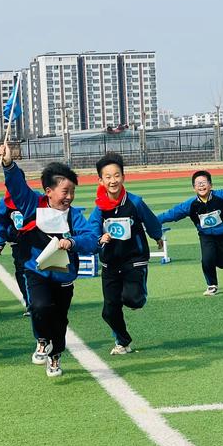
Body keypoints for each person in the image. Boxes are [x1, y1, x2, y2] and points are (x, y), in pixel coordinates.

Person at [0, 143, 99, 377]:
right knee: (39, 307)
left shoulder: (74, 215)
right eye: (65, 191)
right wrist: (8, 164)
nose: (69, 197)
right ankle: (42, 340)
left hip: (63, 275)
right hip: (37, 270)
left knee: (60, 319)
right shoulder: (32, 205)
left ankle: (55, 357)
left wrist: (72, 242)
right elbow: (17, 186)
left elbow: (92, 240)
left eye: (72, 191)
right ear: (48, 191)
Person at [88, 152, 163, 356]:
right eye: (108, 177)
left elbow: (151, 220)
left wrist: (157, 236)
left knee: (133, 299)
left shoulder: (135, 202)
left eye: (117, 175)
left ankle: (139, 293)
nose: (113, 180)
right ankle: (123, 341)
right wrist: (98, 239)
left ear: (123, 176)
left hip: (134, 259)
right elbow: (91, 229)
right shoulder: (99, 208)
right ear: (100, 180)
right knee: (108, 311)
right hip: (110, 263)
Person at [158, 170, 223, 296]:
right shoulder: (190, 204)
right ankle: (212, 285)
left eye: (204, 183)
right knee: (207, 259)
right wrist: (153, 221)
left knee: (222, 263)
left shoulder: (222, 196)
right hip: (206, 235)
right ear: (194, 188)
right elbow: (172, 213)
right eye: (198, 184)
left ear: (211, 185)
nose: (201, 186)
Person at [0, 189, 30, 316]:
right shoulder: (4, 202)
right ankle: (29, 303)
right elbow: (0, 222)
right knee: (22, 273)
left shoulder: (34, 197)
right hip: (17, 244)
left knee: (38, 271)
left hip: (35, 242)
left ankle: (44, 300)